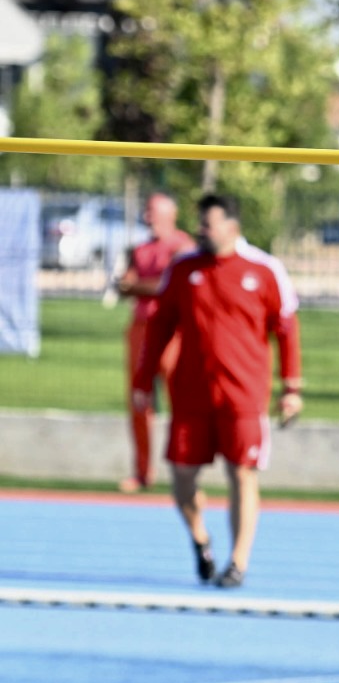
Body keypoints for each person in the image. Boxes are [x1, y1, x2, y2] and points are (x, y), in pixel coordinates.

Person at [132, 194, 302, 588]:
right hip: (191, 393)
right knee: (182, 479)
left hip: (243, 395)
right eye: (200, 224)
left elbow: (286, 329)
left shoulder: (263, 269)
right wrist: (143, 380)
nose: (200, 231)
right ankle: (200, 539)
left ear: (231, 225)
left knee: (242, 473)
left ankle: (237, 562)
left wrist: (291, 387)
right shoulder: (183, 269)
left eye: (207, 224)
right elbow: (160, 327)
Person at [114, 193, 194, 492]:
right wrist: (143, 286)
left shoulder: (183, 247)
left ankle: (185, 467)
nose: (147, 218)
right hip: (141, 329)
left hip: (174, 332)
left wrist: (138, 286)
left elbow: (173, 286)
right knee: (138, 398)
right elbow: (124, 285)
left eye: (152, 212)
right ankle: (142, 471)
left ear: (170, 214)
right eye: (146, 212)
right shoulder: (140, 249)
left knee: (180, 401)